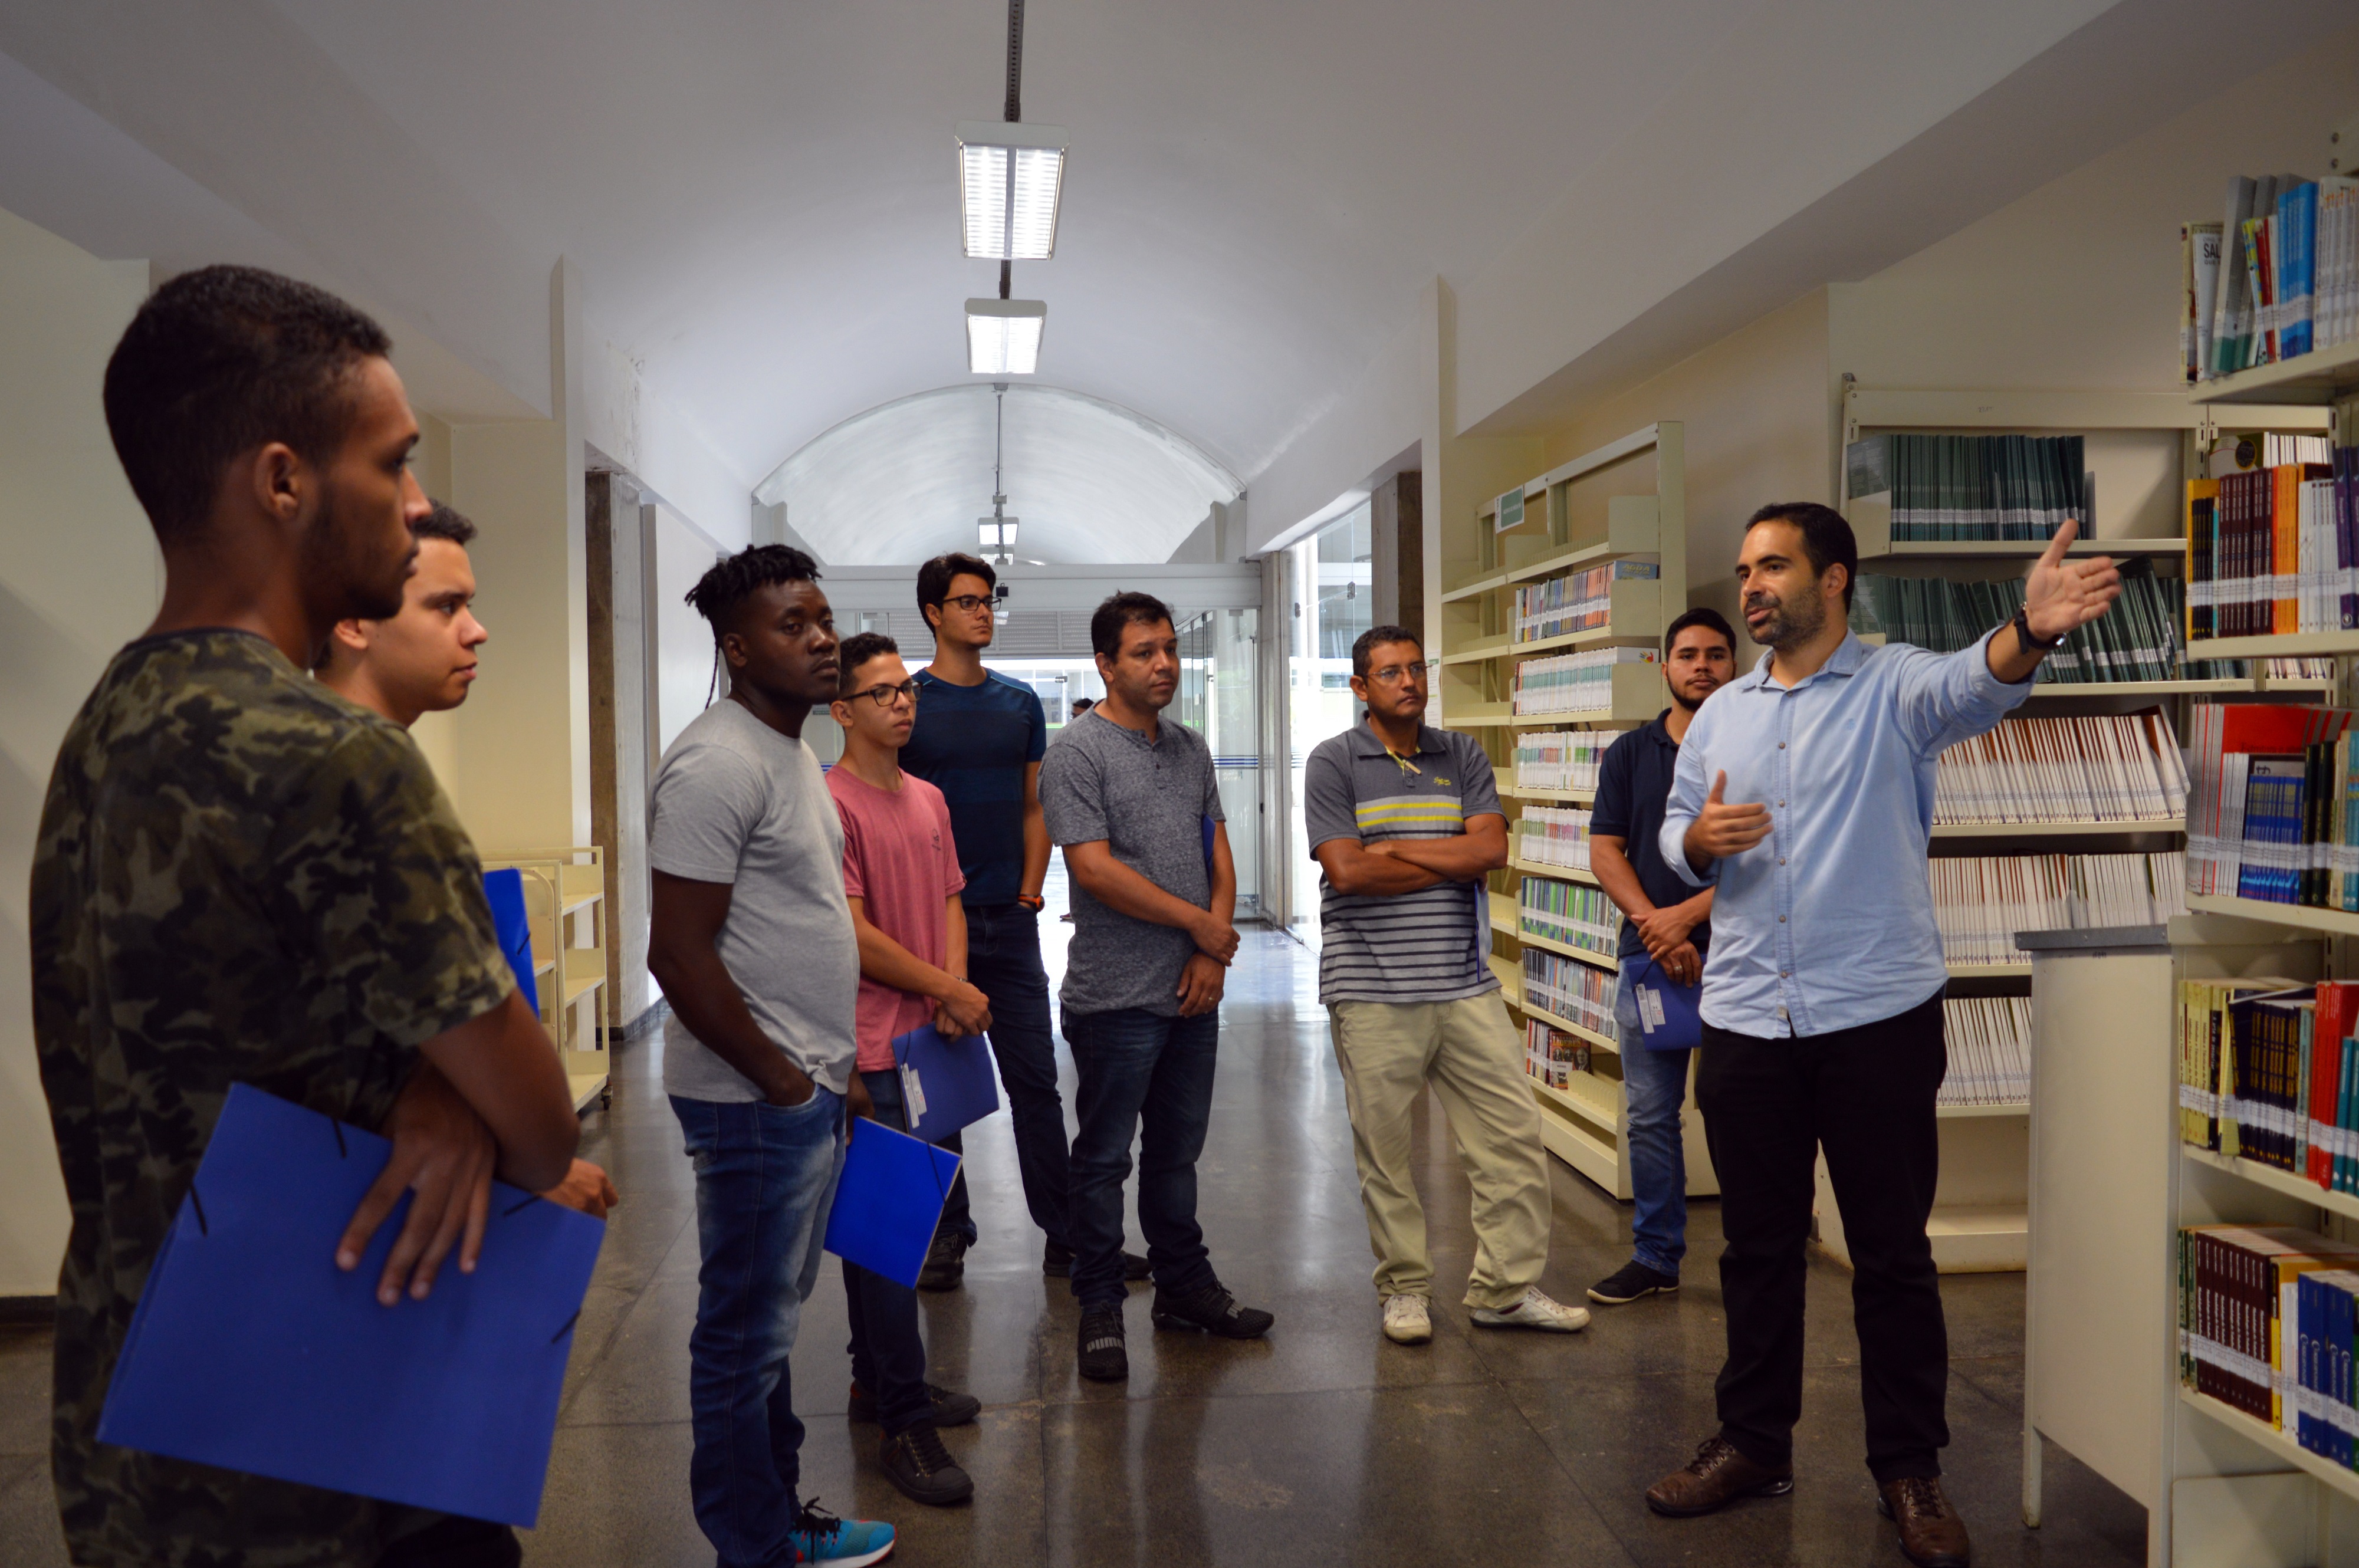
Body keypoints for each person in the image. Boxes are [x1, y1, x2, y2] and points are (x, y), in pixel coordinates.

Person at [32, 264, 583, 1568]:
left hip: (141, 1437)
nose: (414, 502)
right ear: (283, 482)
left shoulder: (109, 723)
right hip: (337, 1455)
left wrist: (436, 1085)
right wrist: (467, 1095)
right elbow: (546, 1129)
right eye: (392, 463)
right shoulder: (333, 756)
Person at [1646, 503, 2120, 1568]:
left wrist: (2030, 630)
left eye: (1773, 565)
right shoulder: (1721, 714)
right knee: (1757, 1248)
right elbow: (1675, 833)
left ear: (1834, 579)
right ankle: (1753, 1442)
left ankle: (1909, 1466)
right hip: (1747, 1017)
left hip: (1874, 1016)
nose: (1751, 584)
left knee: (1893, 1255)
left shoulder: (1895, 685)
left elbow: (1974, 683)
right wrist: (1697, 839)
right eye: (1745, 568)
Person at [645, 544, 893, 1568]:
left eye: (824, 618)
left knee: (769, 1328)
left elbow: (800, 923)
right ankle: (753, 1544)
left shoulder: (789, 747)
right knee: (742, 1338)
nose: (824, 639)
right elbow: (677, 952)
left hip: (804, 1084)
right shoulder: (718, 761)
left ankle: (781, 1517)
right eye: (795, 624)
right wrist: (785, 1080)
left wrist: (838, 1069)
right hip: (754, 1100)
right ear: (739, 649)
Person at [315, 497, 617, 1222]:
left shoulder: (329, 751)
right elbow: (483, 1040)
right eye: (445, 606)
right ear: (352, 622)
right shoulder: (359, 765)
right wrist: (534, 1158)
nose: (476, 629)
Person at [1305, 625, 1592, 1346]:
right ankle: (1404, 1288)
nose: (1409, 681)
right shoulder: (1333, 761)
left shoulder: (1461, 754)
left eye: (1416, 668)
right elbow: (1347, 871)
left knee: (1511, 1139)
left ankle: (1504, 1289)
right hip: (1370, 988)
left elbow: (1490, 850)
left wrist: (1395, 848)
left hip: (1465, 984)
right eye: (1390, 672)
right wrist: (1444, 857)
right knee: (1386, 1155)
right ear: (1360, 686)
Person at [1039, 590, 1273, 1382]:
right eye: (1145, 652)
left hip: (1191, 994)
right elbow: (1094, 869)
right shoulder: (1077, 752)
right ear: (1106, 664)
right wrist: (1200, 926)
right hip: (1114, 998)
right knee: (1104, 1158)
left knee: (1177, 1155)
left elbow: (1218, 854)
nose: (1164, 663)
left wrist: (1212, 951)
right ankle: (1100, 1303)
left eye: (1169, 647)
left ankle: (1181, 1286)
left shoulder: (1190, 747)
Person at [901, 553, 1147, 1289]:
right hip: (928, 929)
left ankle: (1067, 1236)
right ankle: (946, 1233)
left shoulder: (1018, 703)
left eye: (989, 599)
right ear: (933, 613)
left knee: (1036, 1084)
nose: (983, 611)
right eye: (967, 601)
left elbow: (1036, 806)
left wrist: (1030, 894)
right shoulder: (907, 703)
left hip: (1008, 922)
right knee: (933, 1093)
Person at [823, 631, 986, 1506]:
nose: (901, 702)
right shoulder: (831, 803)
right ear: (842, 711)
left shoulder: (929, 797)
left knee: (909, 1232)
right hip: (876, 1052)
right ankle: (904, 1425)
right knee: (884, 1246)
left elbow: (952, 896)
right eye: (881, 692)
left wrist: (951, 992)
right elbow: (851, 934)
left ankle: (879, 1383)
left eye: (905, 689)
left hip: (933, 1045)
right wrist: (944, 988)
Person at [1584, 607, 1736, 1307]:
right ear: (1665, 665)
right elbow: (1604, 849)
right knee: (1649, 1113)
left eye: (1715, 654)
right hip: (1649, 959)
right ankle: (1655, 1256)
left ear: (1734, 664)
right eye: (1687, 654)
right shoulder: (1629, 754)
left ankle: (1754, 1250)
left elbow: (1781, 857)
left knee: (1743, 1111)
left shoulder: (1756, 746)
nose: (1701, 666)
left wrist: (1689, 918)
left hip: (1743, 957)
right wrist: (1656, 927)